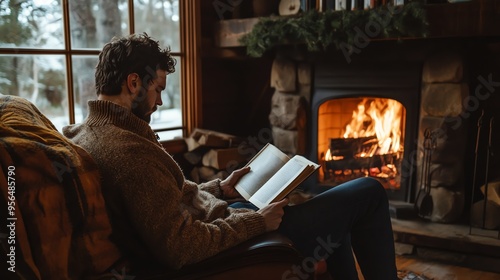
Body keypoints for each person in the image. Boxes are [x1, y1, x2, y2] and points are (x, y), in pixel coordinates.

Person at [63, 33, 398, 280]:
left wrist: (221, 188)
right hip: (221, 250)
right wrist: (257, 221)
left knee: (334, 218)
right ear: (134, 82)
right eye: (158, 90)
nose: (160, 102)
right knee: (368, 192)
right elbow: (180, 246)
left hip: (220, 218)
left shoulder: (89, 131)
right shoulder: (129, 152)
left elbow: (164, 201)